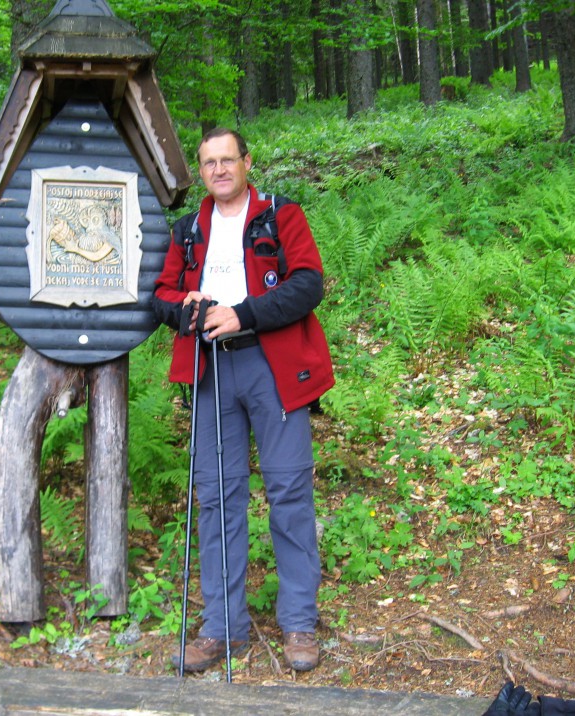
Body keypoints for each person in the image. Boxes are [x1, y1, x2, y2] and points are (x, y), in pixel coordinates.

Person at [152, 127, 335, 673]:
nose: (219, 170)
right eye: (208, 163)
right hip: (210, 368)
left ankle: (300, 621)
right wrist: (183, 307)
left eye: (227, 159)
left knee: (288, 489)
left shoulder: (282, 216)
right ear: (201, 172)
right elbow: (159, 295)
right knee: (217, 498)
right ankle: (222, 627)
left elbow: (307, 285)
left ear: (247, 162)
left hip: (272, 365)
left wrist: (244, 312)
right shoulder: (187, 231)